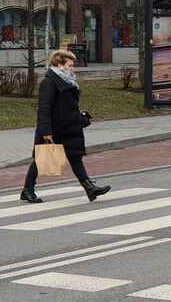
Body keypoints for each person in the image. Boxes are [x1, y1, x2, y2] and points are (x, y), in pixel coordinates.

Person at [20, 49, 111, 203]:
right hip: (54, 129)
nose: (73, 68)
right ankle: (27, 190)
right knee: (41, 159)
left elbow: (67, 106)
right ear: (60, 64)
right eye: (70, 64)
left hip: (68, 127)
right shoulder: (49, 82)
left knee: (75, 157)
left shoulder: (67, 81)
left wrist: (80, 118)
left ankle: (90, 188)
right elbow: (44, 107)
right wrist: (46, 130)